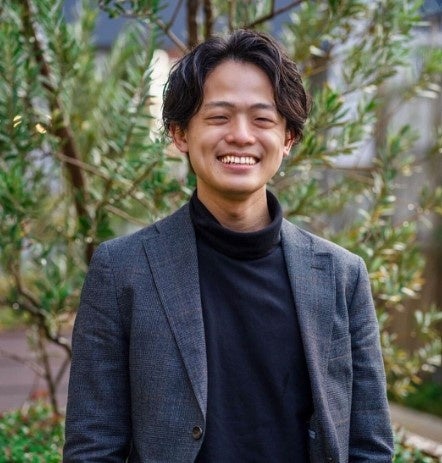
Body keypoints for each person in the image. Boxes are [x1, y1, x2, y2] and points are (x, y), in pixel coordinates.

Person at [63, 29, 394, 462]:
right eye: (219, 117)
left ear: (288, 138)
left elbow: (369, 445)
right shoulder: (122, 270)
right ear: (180, 133)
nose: (240, 135)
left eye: (262, 119)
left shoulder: (341, 276)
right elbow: (93, 446)